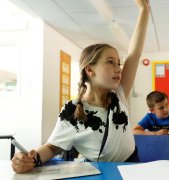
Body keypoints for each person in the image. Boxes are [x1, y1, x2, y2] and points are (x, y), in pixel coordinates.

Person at [11, 0, 150, 173]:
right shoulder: (72, 110)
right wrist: (30, 158)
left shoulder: (119, 94)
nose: (118, 68)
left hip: (132, 166)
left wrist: (145, 10)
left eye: (119, 63)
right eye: (110, 62)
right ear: (90, 70)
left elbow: (134, 54)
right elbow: (52, 147)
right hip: (100, 171)